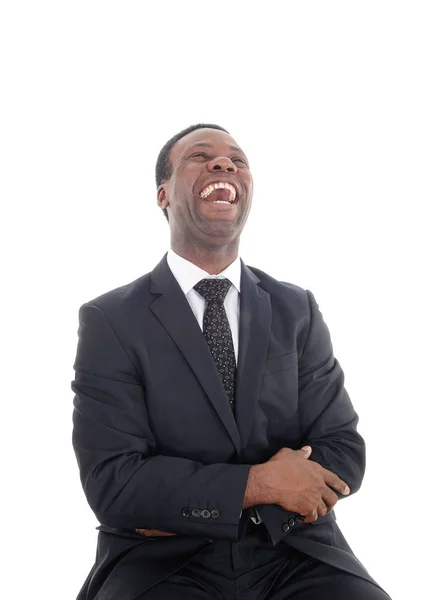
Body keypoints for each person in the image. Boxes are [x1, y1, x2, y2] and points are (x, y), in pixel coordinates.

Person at [71, 123, 391, 599]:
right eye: (200, 157)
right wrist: (261, 484)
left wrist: (262, 505)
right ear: (163, 194)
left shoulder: (294, 308)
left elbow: (344, 448)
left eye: (237, 161)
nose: (224, 165)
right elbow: (115, 485)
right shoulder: (111, 320)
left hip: (293, 551)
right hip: (162, 563)